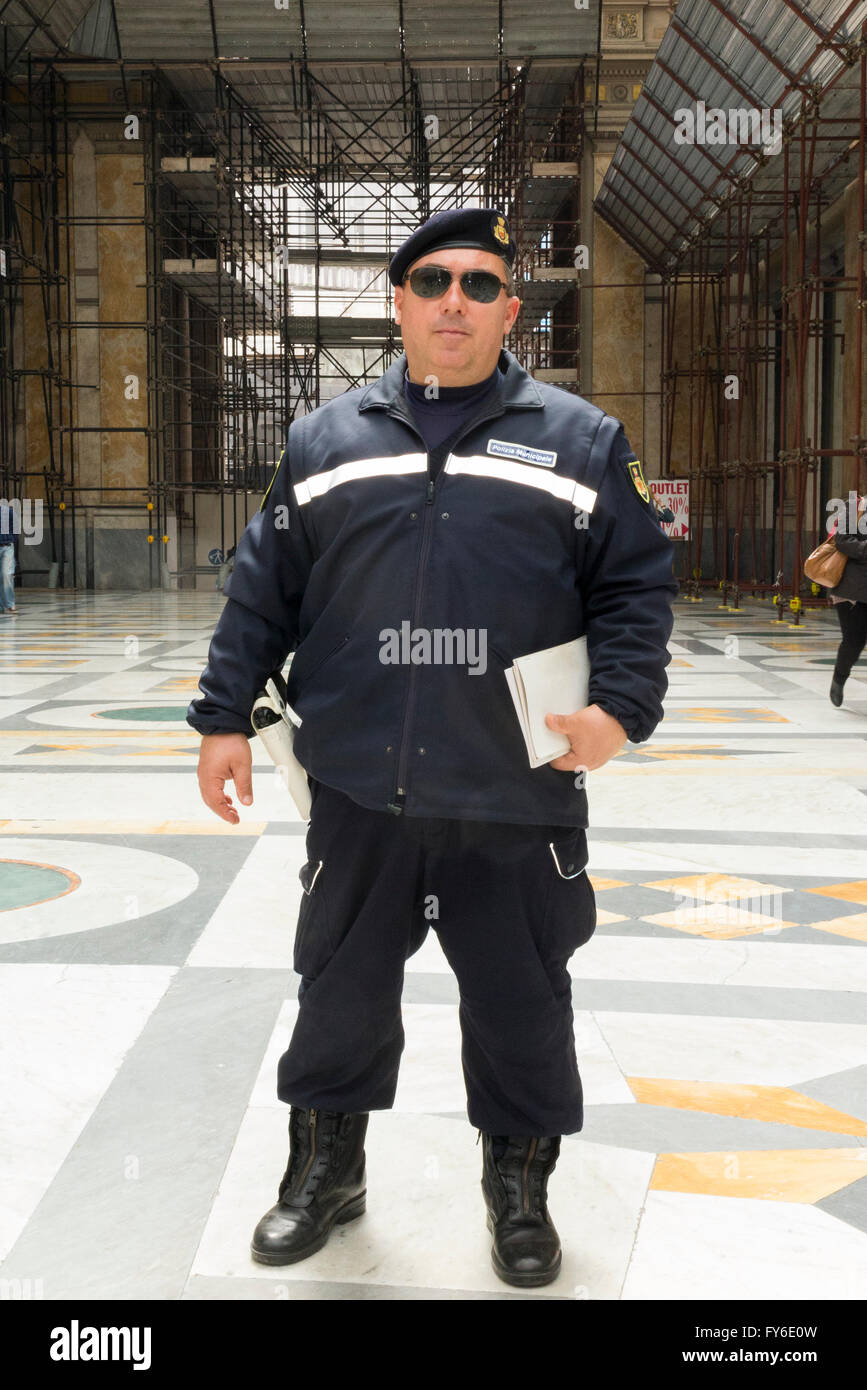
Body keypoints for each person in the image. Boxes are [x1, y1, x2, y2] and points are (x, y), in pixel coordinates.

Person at [187, 207, 678, 1288]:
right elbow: (261, 591)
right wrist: (225, 715)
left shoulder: (580, 441)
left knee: (521, 1004)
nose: (454, 299)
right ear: (400, 302)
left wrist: (620, 710)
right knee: (339, 992)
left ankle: (519, 1194)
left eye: (479, 283)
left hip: (516, 792)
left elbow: (638, 589)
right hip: (361, 787)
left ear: (511, 307)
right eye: (431, 281)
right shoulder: (323, 444)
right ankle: (327, 1173)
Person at [828, 493, 867, 707]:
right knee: (854, 640)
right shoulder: (854, 506)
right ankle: (839, 679)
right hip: (852, 589)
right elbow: (841, 540)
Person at [0, 512, 18, 615]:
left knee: (6, 574)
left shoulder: (8, 512)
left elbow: (16, 529)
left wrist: (11, 539)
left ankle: (10, 604)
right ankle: (2, 605)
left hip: (7, 547)